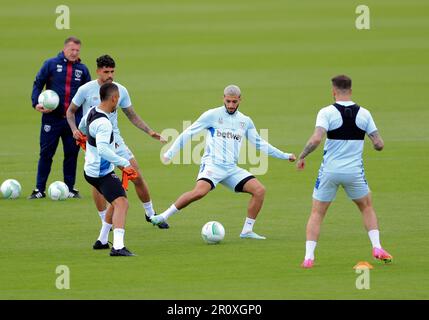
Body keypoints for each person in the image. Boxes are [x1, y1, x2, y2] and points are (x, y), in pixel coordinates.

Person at [151, 85, 296, 239]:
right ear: (223, 98)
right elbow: (189, 132)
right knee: (199, 192)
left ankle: (247, 231)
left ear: (240, 100)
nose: (231, 105)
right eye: (228, 101)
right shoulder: (211, 115)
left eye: (234, 102)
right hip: (212, 165)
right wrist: (170, 152)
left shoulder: (245, 121)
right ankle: (163, 216)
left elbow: (260, 143)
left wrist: (285, 155)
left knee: (259, 191)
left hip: (231, 169)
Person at [296, 75, 392, 268]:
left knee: (317, 213)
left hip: (329, 171)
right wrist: (373, 144)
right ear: (351, 90)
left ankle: (309, 257)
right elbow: (379, 144)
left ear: (333, 91)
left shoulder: (326, 112)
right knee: (366, 207)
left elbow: (316, 139)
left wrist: (302, 156)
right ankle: (377, 247)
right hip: (354, 173)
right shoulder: (364, 113)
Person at [66, 55, 169, 230]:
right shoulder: (85, 90)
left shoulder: (119, 90)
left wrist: (150, 131)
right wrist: (74, 130)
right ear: (98, 71)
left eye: (112, 71)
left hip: (116, 141)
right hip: (95, 144)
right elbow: (70, 112)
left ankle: (151, 214)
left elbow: (131, 115)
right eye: (106, 72)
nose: (110, 75)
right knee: (98, 182)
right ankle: (104, 222)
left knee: (136, 174)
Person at [29, 36, 91, 199]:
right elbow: (38, 83)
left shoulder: (82, 70)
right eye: (72, 49)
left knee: (71, 155)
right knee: (46, 153)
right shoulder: (50, 64)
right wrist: (36, 103)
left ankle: (70, 189)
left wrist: (86, 119)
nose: (74, 53)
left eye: (77, 50)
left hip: (73, 122)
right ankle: (39, 189)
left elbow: (89, 94)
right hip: (52, 119)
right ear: (64, 49)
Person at [80, 82, 137, 256]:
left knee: (115, 201)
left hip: (90, 169)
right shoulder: (104, 123)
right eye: (118, 99)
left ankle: (102, 240)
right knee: (122, 203)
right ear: (113, 99)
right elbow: (104, 150)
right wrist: (124, 164)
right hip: (100, 172)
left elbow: (82, 127)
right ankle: (118, 247)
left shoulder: (91, 111)